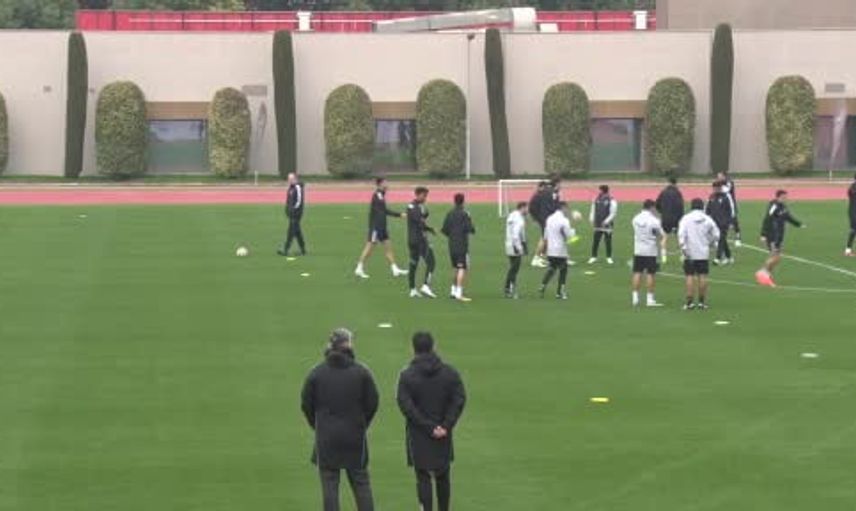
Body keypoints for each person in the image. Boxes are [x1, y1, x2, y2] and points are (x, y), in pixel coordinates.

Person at [301, 328, 379, 511]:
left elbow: (306, 405)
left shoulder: (317, 373)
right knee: (361, 483)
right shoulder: (362, 372)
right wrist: (362, 424)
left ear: (331, 345)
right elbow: (372, 403)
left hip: (326, 437)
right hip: (355, 436)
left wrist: (318, 426)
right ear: (349, 345)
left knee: (329, 485)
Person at [396, 331, 467, 511]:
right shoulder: (450, 373)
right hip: (443, 432)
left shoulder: (407, 375)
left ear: (413, 348)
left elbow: (406, 406)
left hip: (419, 432)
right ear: (434, 346)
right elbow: (459, 399)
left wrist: (428, 427)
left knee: (422, 476)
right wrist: (446, 425)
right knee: (443, 474)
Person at [354, 178, 409, 279]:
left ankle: (395, 269)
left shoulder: (381, 195)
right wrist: (400, 215)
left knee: (388, 248)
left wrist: (399, 215)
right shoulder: (378, 195)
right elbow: (384, 211)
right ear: (379, 185)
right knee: (369, 248)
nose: (387, 184)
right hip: (376, 227)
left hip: (382, 227)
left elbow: (384, 211)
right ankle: (359, 268)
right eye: (385, 183)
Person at [756, 190, 805, 287]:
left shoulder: (783, 206)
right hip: (772, 235)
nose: (785, 198)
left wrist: (798, 224)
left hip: (779, 235)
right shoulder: (774, 206)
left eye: (786, 197)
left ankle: (766, 275)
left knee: (776, 258)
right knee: (775, 257)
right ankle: (762, 272)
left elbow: (788, 217)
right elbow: (767, 218)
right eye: (784, 197)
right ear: (778, 197)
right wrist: (763, 234)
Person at [678, 198, 720, 310]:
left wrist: (683, 247)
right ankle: (701, 302)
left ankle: (689, 302)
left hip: (689, 252)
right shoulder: (707, 219)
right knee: (702, 276)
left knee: (689, 276)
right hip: (703, 252)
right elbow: (716, 234)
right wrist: (710, 243)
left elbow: (681, 235)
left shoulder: (686, 218)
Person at [441, 193, 476, 301]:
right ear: (463, 201)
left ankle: (453, 290)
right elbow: (471, 229)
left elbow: (444, 230)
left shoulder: (449, 213)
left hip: (451, 244)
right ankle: (459, 293)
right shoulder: (465, 214)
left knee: (456, 268)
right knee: (462, 268)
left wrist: (452, 235)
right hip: (462, 245)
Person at [631, 199, 666, 307]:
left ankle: (635, 298)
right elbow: (661, 234)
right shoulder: (654, 220)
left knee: (637, 272)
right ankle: (650, 299)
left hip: (638, 249)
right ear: (651, 207)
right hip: (650, 250)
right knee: (650, 274)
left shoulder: (635, 218)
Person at [539, 201, 575, 300]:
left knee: (552, 268)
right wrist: (573, 231)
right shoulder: (564, 220)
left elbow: (545, 235)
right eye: (567, 209)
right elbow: (569, 235)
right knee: (563, 270)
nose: (567, 211)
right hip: (560, 250)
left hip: (551, 249)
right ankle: (560, 292)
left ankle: (543, 285)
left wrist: (544, 249)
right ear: (563, 208)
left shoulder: (549, 219)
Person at [407, 187, 438, 298]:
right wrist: (430, 228)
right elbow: (420, 223)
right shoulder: (416, 207)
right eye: (424, 196)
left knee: (413, 264)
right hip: (420, 240)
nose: (425, 198)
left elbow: (420, 220)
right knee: (431, 262)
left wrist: (427, 225)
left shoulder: (412, 206)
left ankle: (412, 289)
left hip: (411, 240)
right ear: (418, 194)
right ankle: (426, 286)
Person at [655, 176, 685, 263]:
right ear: (676, 183)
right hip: (676, 219)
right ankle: (682, 256)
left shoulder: (663, 192)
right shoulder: (678, 193)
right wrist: (680, 218)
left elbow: (657, 204)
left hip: (665, 218)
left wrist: (662, 212)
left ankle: (664, 257)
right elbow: (680, 207)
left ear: (668, 182)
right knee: (679, 237)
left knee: (664, 237)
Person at [706, 181, 735, 265]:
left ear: (720, 188)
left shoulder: (726, 196)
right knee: (722, 240)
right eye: (714, 188)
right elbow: (707, 209)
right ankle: (729, 257)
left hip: (724, 223)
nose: (715, 190)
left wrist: (731, 222)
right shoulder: (711, 197)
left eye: (717, 188)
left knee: (721, 239)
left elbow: (731, 210)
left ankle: (717, 258)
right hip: (714, 223)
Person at [588, 184, 618, 265]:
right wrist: (591, 218)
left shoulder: (612, 200)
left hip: (607, 225)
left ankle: (609, 257)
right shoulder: (596, 198)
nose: (598, 192)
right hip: (598, 223)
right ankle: (593, 257)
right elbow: (593, 209)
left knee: (608, 241)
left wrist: (606, 221)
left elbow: (613, 213)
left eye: (600, 190)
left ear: (603, 190)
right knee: (596, 240)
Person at [278, 172, 306, 256]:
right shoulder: (290, 188)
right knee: (297, 232)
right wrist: (287, 209)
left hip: (296, 213)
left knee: (291, 231)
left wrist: (293, 210)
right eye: (289, 179)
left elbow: (299, 201)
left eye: (291, 179)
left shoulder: (298, 187)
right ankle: (303, 250)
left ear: (295, 179)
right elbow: (288, 200)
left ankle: (285, 249)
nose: (289, 180)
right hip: (291, 213)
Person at [504, 201, 528, 299]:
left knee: (513, 267)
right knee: (514, 268)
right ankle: (509, 289)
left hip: (508, 243)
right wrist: (520, 247)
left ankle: (510, 288)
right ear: (522, 208)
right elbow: (516, 234)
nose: (527, 210)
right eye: (526, 208)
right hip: (515, 245)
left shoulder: (512, 215)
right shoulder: (519, 219)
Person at [527, 181, 550, 268]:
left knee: (547, 238)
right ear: (540, 187)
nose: (546, 189)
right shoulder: (537, 196)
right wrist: (537, 219)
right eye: (544, 187)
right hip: (542, 219)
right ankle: (536, 258)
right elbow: (531, 209)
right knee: (544, 238)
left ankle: (541, 257)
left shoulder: (540, 195)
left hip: (543, 219)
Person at [717, 171, 742, 246]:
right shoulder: (719, 183)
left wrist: (719, 188)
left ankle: (738, 237)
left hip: (730, 204)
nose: (718, 178)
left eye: (720, 176)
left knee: (734, 220)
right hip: (722, 205)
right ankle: (721, 237)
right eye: (718, 177)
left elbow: (726, 190)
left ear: (724, 176)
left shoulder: (729, 182)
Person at [845, 174, 856, 256]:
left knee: (853, 230)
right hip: (854, 212)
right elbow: (851, 194)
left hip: (852, 211)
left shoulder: (852, 187)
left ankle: (848, 251)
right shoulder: (853, 187)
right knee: (853, 230)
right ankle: (848, 251)